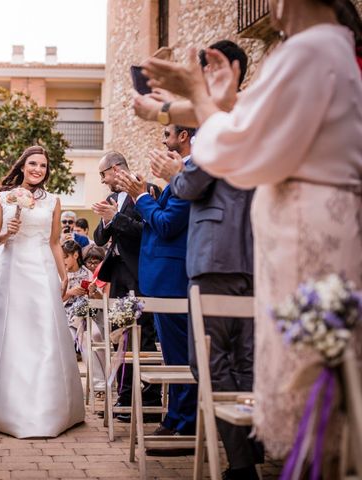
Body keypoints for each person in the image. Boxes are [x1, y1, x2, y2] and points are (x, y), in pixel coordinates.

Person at [140, 0, 362, 462]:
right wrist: (175, 108)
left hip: (304, 242)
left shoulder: (310, 50)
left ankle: (252, 464)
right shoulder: (318, 49)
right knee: (292, 375)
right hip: (291, 242)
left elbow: (234, 150)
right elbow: (238, 122)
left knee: (303, 383)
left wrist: (198, 99)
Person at [151, 40, 263, 480]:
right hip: (252, 256)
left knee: (211, 361)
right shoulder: (251, 115)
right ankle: (247, 455)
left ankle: (241, 463)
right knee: (244, 362)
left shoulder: (222, 122)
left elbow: (193, 184)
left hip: (217, 256)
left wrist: (173, 173)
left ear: (227, 69)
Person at [0, 145, 85, 439]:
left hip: (42, 271)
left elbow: (52, 242)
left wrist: (64, 275)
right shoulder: (3, 198)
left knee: (43, 331)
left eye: (43, 166)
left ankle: (48, 405)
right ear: (23, 166)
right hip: (11, 270)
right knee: (8, 329)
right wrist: (7, 233)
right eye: (33, 164)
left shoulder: (53, 201)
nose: (38, 169)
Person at [116, 159, 196, 454]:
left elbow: (166, 224)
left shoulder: (187, 178)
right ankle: (175, 417)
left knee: (181, 358)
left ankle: (187, 423)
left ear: (184, 136)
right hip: (162, 280)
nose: (164, 142)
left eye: (168, 134)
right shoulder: (181, 177)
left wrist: (141, 197)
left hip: (173, 280)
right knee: (174, 356)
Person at [92, 151, 162, 422]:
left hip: (141, 272)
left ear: (117, 168)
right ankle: (124, 394)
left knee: (142, 334)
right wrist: (108, 218)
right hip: (119, 274)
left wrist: (117, 217)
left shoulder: (147, 189)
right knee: (120, 334)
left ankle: (149, 397)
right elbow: (99, 238)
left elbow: (148, 231)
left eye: (103, 174)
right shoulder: (111, 199)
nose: (102, 180)